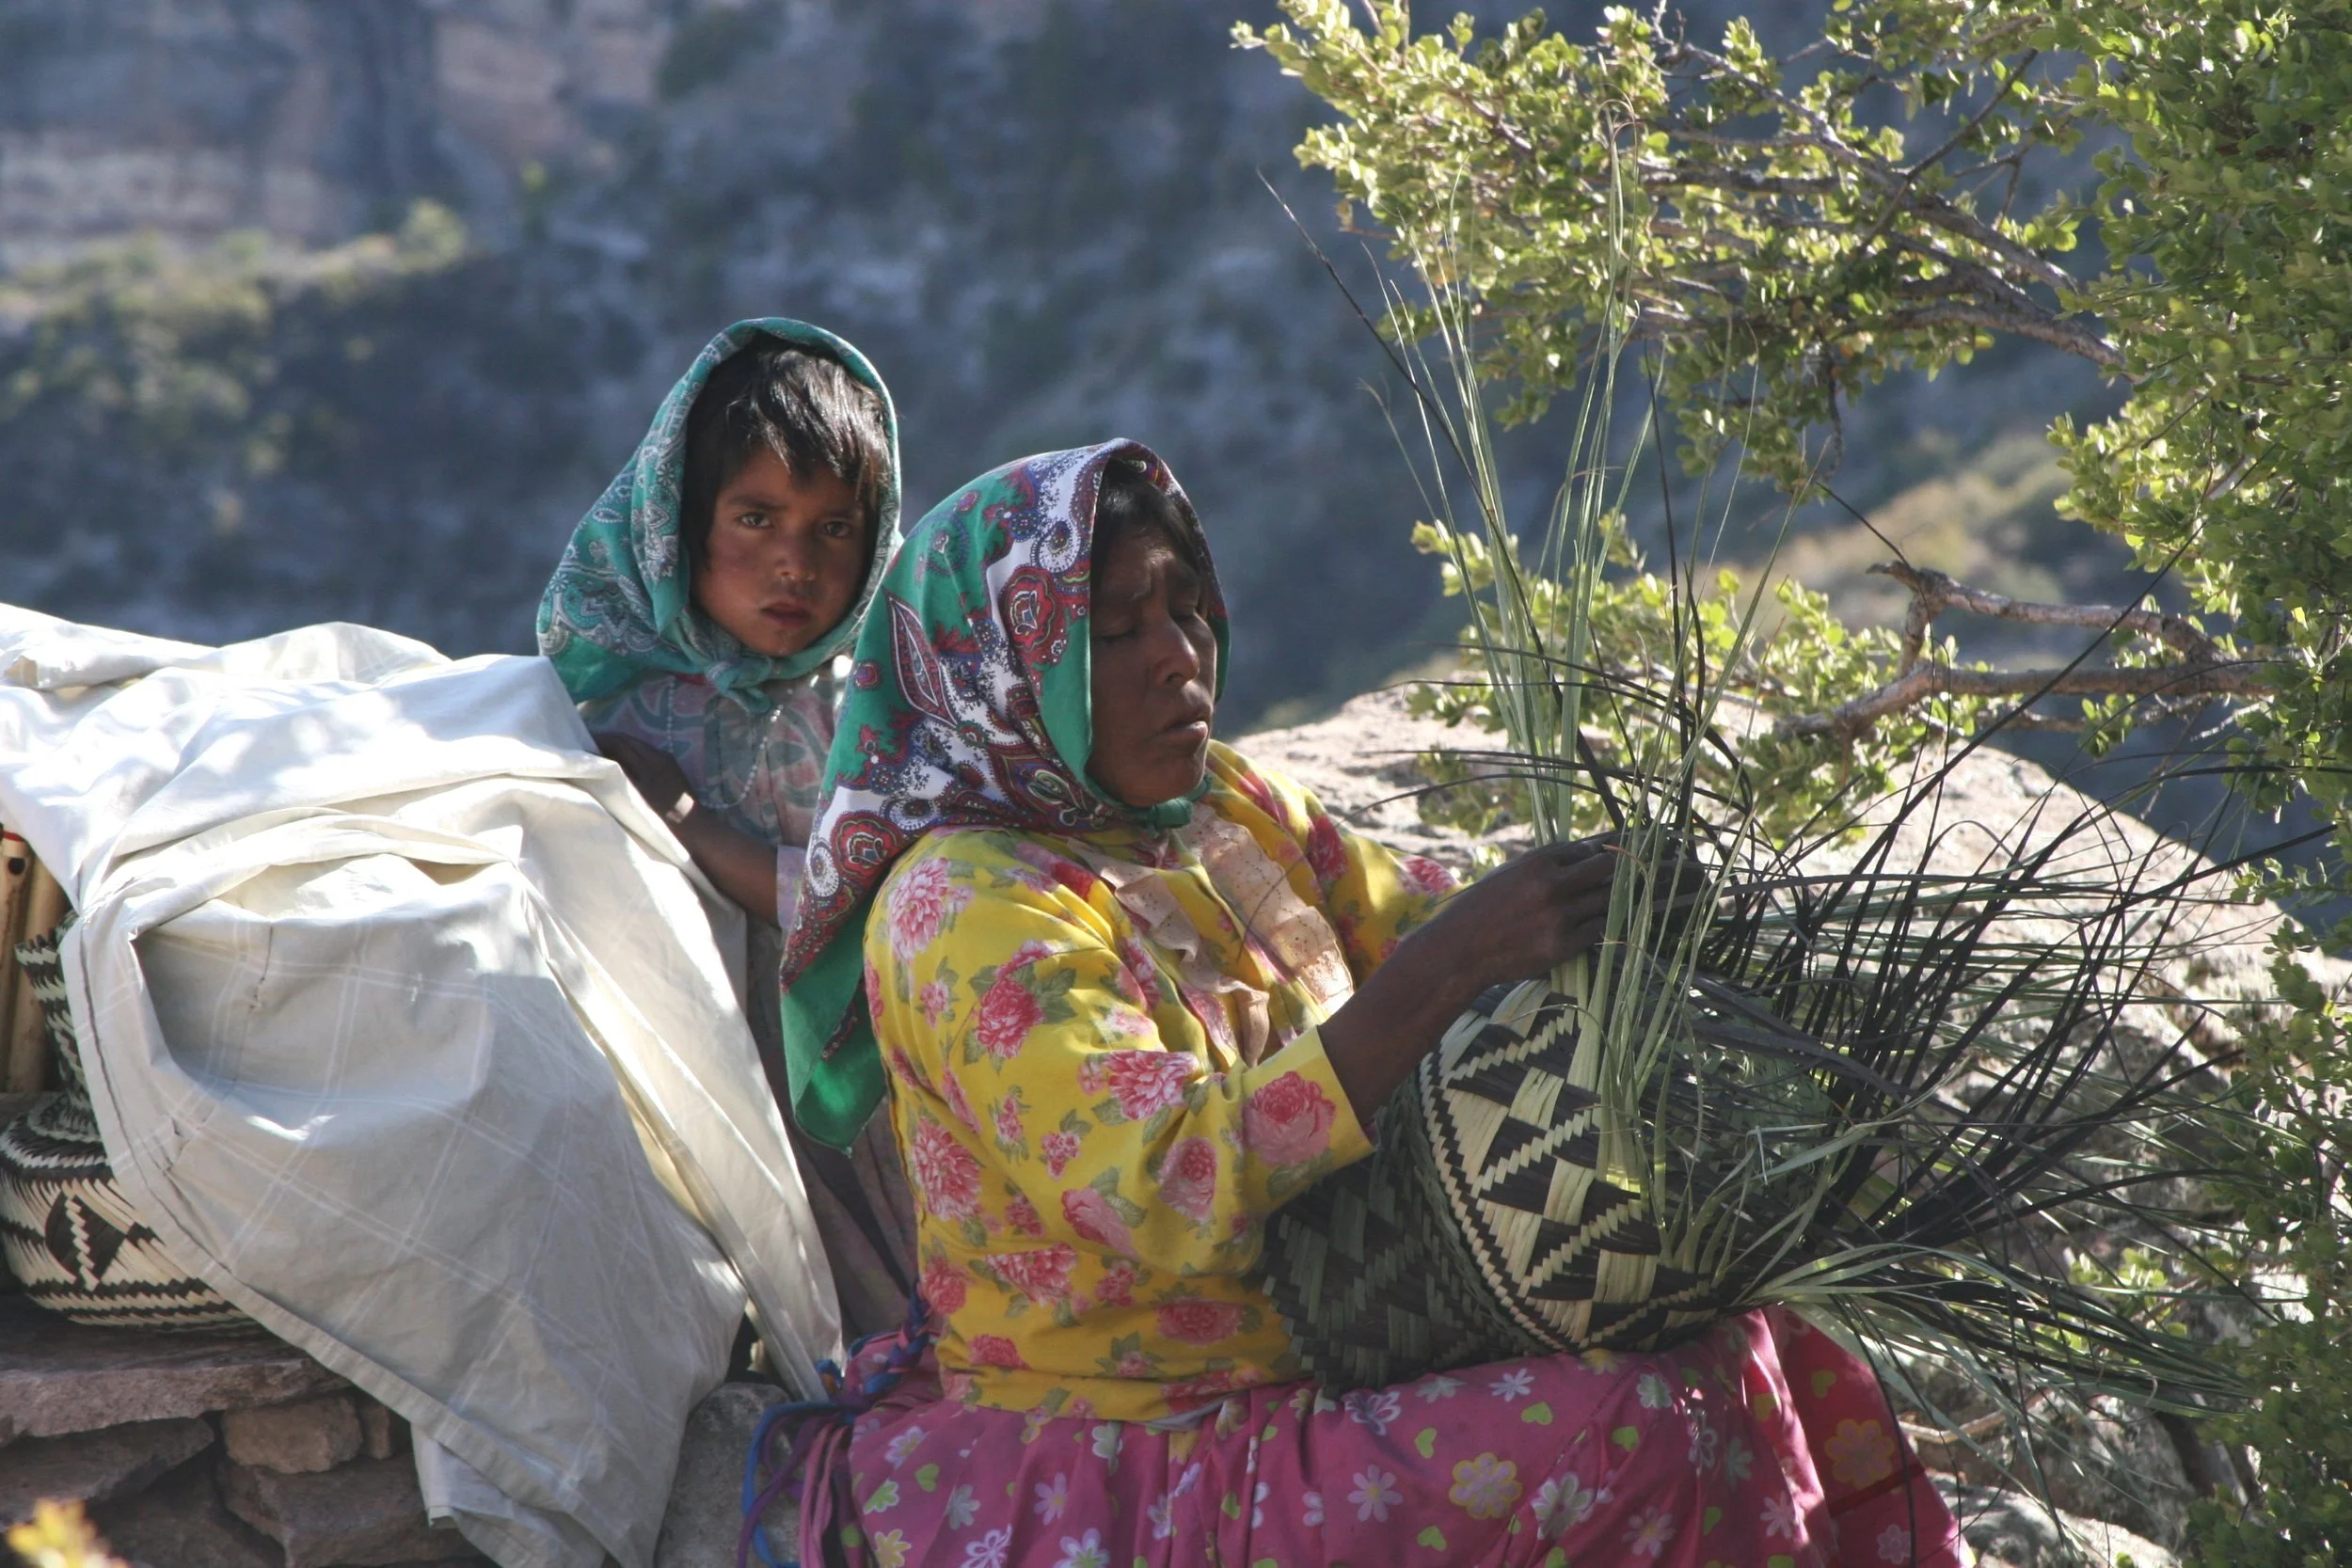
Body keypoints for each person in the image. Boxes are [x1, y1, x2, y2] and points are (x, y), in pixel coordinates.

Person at [766, 441, 1965, 1566]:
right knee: (1646, 1421)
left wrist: (1607, 915)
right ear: (1000, 672)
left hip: (1348, 1326)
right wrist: (1446, 972)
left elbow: (1420, 919)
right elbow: (1164, 1183)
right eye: (1115, 630)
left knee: (1756, 1330)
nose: (1177, 654)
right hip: (1151, 1424)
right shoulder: (963, 908)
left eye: (1185, 607)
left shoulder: (1219, 807)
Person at [536, 319, 917, 1340]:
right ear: (676, 522)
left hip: (869, 1106)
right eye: (754, 517)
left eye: (835, 528)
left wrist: (694, 829)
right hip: (682, 1106)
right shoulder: (601, 711)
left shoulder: (883, 710)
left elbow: (890, 910)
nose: (792, 563)